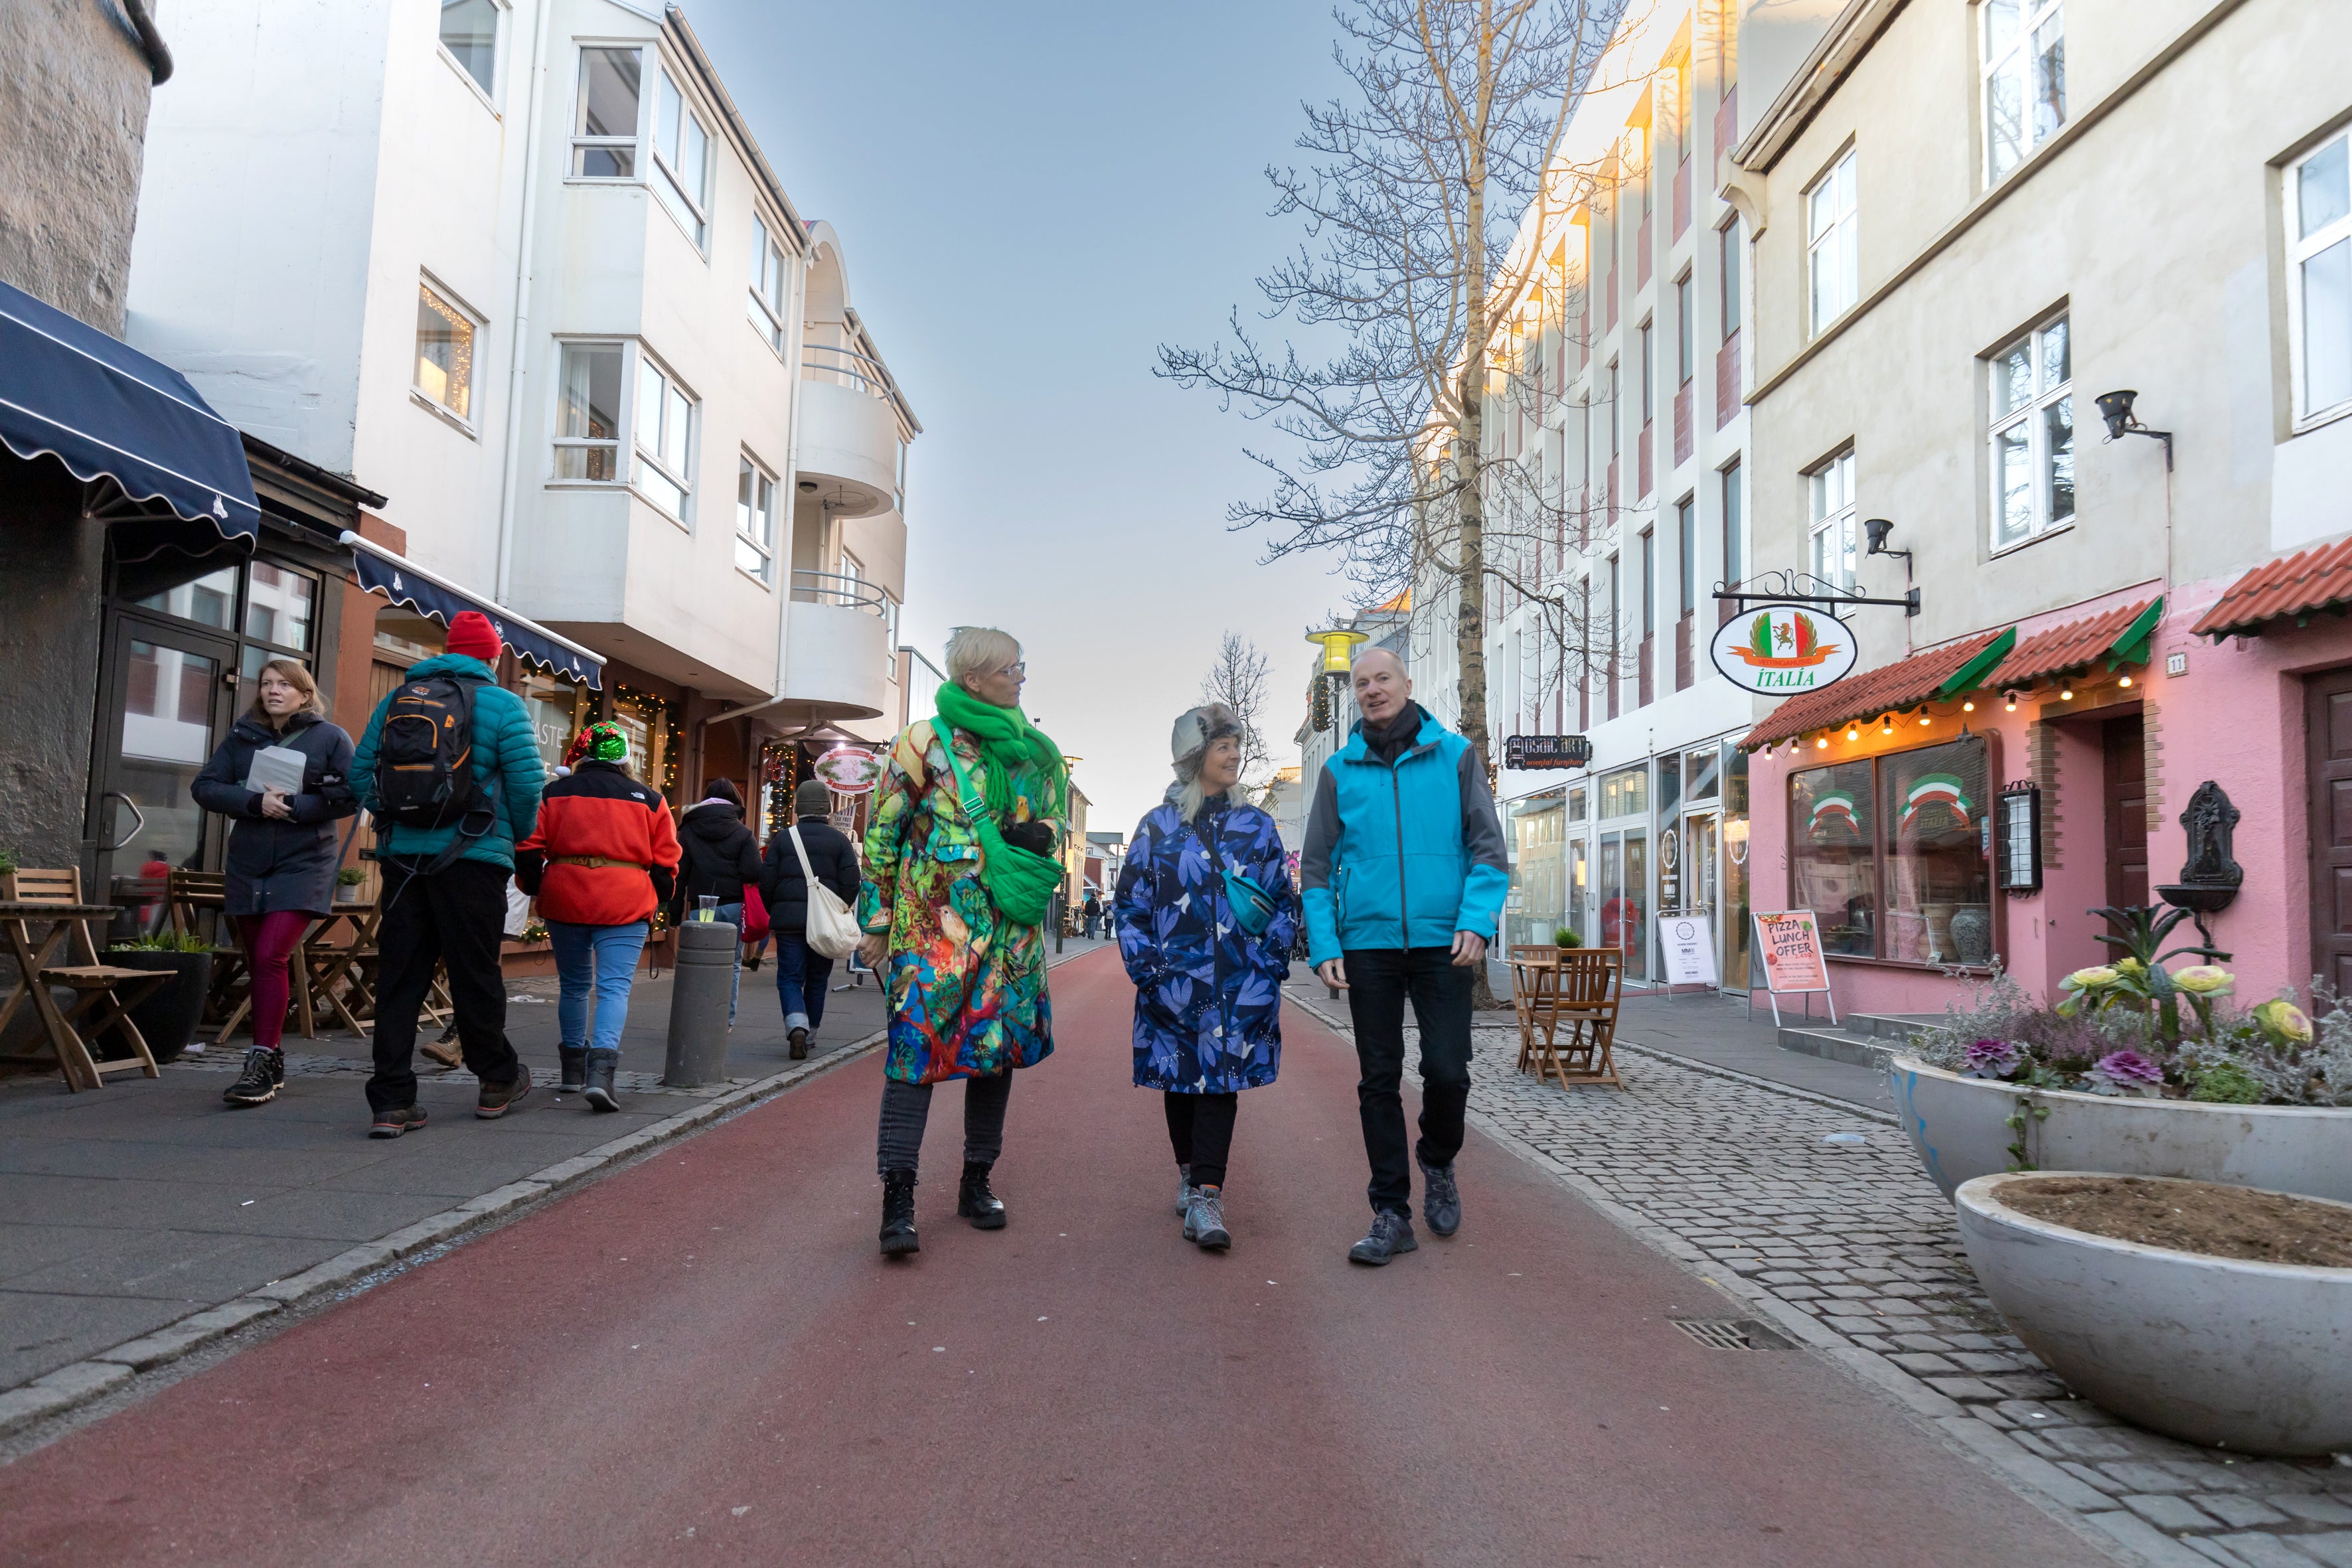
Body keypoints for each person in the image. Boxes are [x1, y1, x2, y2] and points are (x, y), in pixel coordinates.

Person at [858, 626, 1066, 1257]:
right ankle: (898, 1194)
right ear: (973, 679)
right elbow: (882, 835)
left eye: (1021, 665)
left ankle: (977, 1181)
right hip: (932, 931)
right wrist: (875, 923)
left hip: (1009, 931)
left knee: (994, 1054)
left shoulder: (1034, 752)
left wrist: (1043, 834)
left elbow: (1052, 815)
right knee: (912, 1058)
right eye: (1011, 667)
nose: (1021, 675)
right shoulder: (922, 742)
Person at [1298, 647, 1507, 1265]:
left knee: (1447, 1070)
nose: (1371, 690)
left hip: (1445, 940)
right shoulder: (1338, 771)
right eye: (1360, 683)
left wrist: (1477, 921)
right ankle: (1390, 1211)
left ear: (1407, 683)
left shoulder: (1455, 756)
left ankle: (1437, 1159)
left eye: (1381, 678)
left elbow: (1487, 848)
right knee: (1377, 1077)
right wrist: (1325, 943)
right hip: (1368, 945)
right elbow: (1315, 866)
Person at [350, 610, 546, 1138]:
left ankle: (391, 1101)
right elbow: (528, 785)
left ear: (446, 650)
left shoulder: (398, 700)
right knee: (474, 972)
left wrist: (392, 817)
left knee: (399, 977)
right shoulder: (504, 705)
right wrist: (511, 834)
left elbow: (358, 774)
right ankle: (496, 1081)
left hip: (404, 861)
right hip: (476, 858)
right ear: (492, 655)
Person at [1115, 704, 1296, 1250]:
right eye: (1223, 746)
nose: (1235, 754)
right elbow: (1130, 907)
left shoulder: (1257, 826)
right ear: (1196, 756)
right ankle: (1191, 1171)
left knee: (1220, 1086)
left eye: (1238, 745)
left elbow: (1284, 904)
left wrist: (1268, 967)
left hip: (1239, 984)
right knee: (1180, 1082)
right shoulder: (1156, 827)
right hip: (1173, 983)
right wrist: (1150, 976)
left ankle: (1207, 1196)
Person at [190, 659, 358, 1107]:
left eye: (284, 684)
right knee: (256, 958)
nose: (273, 690)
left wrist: (298, 805)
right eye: (266, 683)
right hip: (248, 863)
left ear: (305, 694)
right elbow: (205, 787)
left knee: (269, 956)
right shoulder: (243, 736)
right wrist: (253, 801)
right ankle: (273, 1058)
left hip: (304, 864)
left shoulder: (330, 737)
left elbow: (351, 794)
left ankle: (262, 1059)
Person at [515, 722, 679, 1111]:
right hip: (626, 898)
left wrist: (538, 886)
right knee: (614, 988)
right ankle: (601, 1073)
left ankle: (572, 1069)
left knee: (573, 986)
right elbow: (667, 861)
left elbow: (527, 847)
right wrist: (656, 896)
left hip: (566, 894)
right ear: (625, 758)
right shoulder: (651, 799)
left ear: (583, 755)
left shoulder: (553, 792)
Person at [758, 777, 859, 1059]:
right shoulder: (840, 841)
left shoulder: (783, 838)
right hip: (825, 925)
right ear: (827, 808)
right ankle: (811, 1032)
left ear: (798, 808)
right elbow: (853, 882)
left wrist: (776, 910)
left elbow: (766, 881)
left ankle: (796, 1025)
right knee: (817, 979)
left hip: (789, 924)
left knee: (790, 978)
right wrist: (839, 908)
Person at [676, 777, 763, 1027]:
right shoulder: (742, 832)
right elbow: (753, 872)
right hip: (733, 905)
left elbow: (680, 872)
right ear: (735, 803)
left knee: (697, 963)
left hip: (700, 906)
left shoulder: (690, 830)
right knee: (731, 965)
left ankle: (696, 1017)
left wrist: (672, 913)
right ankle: (724, 1020)